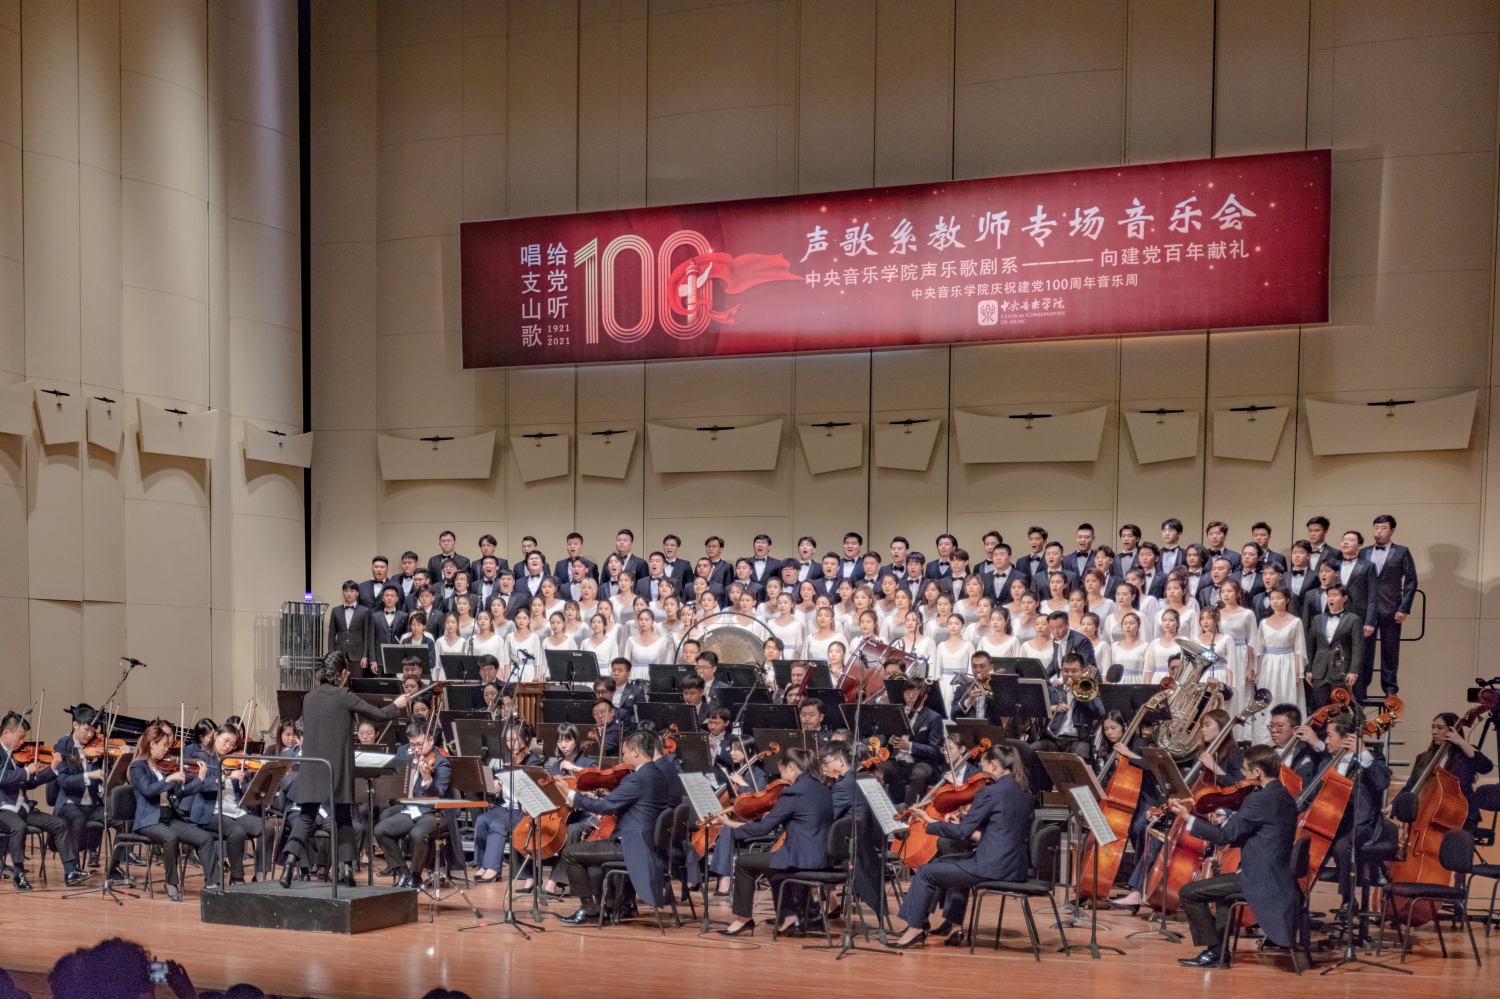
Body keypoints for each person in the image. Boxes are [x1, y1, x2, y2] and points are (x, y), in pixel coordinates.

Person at [282, 652, 409, 888]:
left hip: (312, 769)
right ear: (342, 673)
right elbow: (379, 715)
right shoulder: (344, 696)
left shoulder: (309, 698)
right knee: (343, 819)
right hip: (337, 769)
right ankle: (348, 869)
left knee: (306, 817)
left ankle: (289, 864)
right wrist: (397, 705)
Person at [889, 743, 1035, 948]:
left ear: (994, 765)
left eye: (984, 766)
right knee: (953, 866)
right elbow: (1002, 832)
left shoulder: (991, 792)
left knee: (925, 872)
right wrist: (959, 823)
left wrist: (929, 822)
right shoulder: (1025, 793)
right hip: (1015, 868)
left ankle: (915, 930)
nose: (983, 772)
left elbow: (961, 833)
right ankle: (954, 927)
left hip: (992, 867)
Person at [1168, 743, 1300, 968]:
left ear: (1257, 772)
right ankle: (1219, 953)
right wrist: (1232, 821)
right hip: (1276, 875)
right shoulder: (1284, 795)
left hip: (1258, 879)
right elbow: (1260, 830)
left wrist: (1188, 817)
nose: (1242, 775)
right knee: (1221, 893)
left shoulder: (1258, 800)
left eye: (1245, 770)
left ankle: (1213, 951)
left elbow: (1224, 837)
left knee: (1189, 893)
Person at [717, 746, 834, 937]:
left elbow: (762, 829)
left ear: (791, 767)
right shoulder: (822, 788)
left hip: (801, 859)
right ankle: (791, 916)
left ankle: (743, 919)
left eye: (781, 771)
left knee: (744, 863)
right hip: (823, 857)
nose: (781, 777)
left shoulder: (793, 793)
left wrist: (730, 824)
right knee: (774, 865)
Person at [557, 730, 671, 923]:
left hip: (633, 845)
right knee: (590, 855)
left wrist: (570, 794)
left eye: (624, 753)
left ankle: (589, 909)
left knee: (570, 853)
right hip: (650, 843)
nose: (622, 758)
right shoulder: (659, 775)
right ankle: (613, 905)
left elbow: (605, 806)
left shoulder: (637, 778)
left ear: (636, 751)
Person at [121, 720, 216, 900]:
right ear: (152, 744)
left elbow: (180, 792)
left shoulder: (161, 766)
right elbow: (148, 790)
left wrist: (200, 780)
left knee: (205, 838)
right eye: (164, 745)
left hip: (168, 818)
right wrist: (168, 780)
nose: (167, 749)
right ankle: (171, 883)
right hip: (149, 821)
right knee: (170, 838)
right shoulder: (137, 767)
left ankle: (213, 884)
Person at [1, 712, 88, 890]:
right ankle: (19, 875)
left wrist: (52, 768)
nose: (22, 742)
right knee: (19, 827)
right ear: (6, 733)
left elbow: (31, 783)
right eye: (20, 737)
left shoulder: (16, 756)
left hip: (23, 809)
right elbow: (3, 778)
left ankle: (70, 871)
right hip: (4, 809)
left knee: (60, 824)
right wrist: (26, 771)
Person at [1323, 711, 1391, 916]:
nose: (1326, 741)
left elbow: (1382, 782)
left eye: (1329, 736)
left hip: (1363, 823)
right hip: (1334, 820)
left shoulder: (1373, 758)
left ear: (1346, 738)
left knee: (1343, 845)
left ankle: (1348, 899)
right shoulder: (1328, 762)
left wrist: (1363, 753)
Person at [373, 721, 451, 889]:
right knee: (381, 830)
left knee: (417, 833)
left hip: (433, 812)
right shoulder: (409, 760)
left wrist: (427, 777)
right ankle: (404, 872)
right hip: (411, 810)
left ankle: (415, 876)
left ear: (431, 740)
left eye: (419, 744)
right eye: (412, 745)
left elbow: (439, 794)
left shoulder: (441, 762)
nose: (415, 749)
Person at [190, 723, 270, 884]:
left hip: (235, 810)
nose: (228, 747)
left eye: (232, 744)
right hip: (211, 812)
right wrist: (226, 777)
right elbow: (201, 786)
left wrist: (251, 778)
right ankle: (237, 876)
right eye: (226, 741)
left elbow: (244, 791)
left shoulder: (234, 760)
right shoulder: (200, 757)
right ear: (215, 736)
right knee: (237, 832)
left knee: (267, 828)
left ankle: (260, 875)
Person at [470, 721, 543, 884]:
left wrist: (511, 776)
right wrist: (496, 781)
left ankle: (493, 869)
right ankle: (483, 864)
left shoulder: (533, 760)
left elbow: (532, 787)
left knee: (497, 825)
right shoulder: (509, 758)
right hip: (505, 807)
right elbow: (500, 776)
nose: (511, 744)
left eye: (515, 740)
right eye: (508, 740)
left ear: (526, 738)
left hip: (521, 810)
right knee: (482, 821)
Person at [1359, 515, 1417, 697]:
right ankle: (1361, 688)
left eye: (1383, 528)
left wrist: (1404, 608)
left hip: (1391, 608)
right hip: (1366, 610)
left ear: (1392, 530)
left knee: (1390, 650)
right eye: (1376, 527)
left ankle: (1390, 689)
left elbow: (1411, 580)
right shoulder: (1363, 552)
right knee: (1364, 651)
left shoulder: (1402, 552)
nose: (1379, 531)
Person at [1410, 712, 1494, 832]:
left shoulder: (1465, 754)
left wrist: (1461, 742)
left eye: (1440, 728)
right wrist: (1393, 806)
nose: (1434, 732)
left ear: (1452, 731)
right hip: (1430, 813)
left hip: (1461, 815)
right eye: (1433, 727)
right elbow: (1411, 785)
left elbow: (1486, 767)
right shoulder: (1423, 758)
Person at [50, 704, 106, 871]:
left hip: (92, 804)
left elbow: (107, 776)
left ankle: (115, 867)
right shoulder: (63, 746)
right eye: (86, 730)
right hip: (70, 803)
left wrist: (107, 762)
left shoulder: (97, 748)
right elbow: (63, 781)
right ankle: (73, 869)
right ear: (75, 725)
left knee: (120, 818)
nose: (90, 735)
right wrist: (89, 775)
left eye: (93, 731)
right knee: (77, 820)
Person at [1251, 587, 1306, 745]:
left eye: (1279, 598)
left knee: (1287, 697)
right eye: (1272, 598)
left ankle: (1289, 741)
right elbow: (1260, 650)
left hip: (1288, 664)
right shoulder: (1263, 623)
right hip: (1268, 665)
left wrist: (1298, 672)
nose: (1275, 601)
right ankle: (1265, 742)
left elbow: (1299, 649)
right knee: (1267, 702)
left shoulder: (1296, 622)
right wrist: (1257, 672)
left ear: (1287, 600)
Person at [328, 580, 373, 675]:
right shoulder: (335, 611)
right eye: (346, 591)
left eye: (352, 591)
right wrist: (331, 655)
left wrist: (365, 656)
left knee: (356, 681)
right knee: (340, 681)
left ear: (357, 593)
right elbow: (331, 635)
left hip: (358, 655)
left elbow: (367, 636)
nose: (349, 594)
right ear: (343, 593)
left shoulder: (364, 611)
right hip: (339, 655)